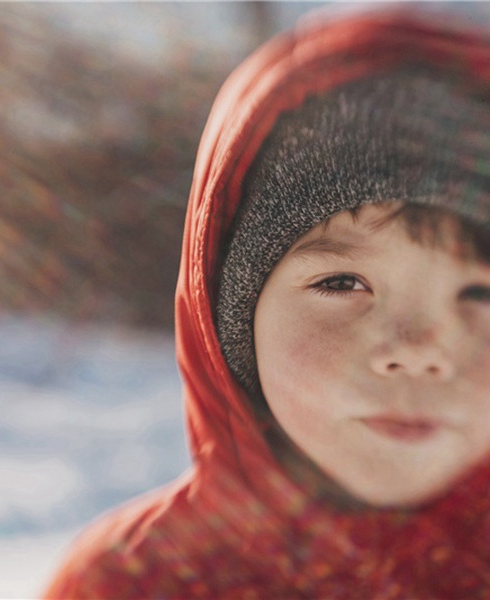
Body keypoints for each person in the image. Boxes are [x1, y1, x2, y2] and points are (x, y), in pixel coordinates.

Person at [43, 6, 490, 598]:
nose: (417, 352)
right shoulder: (133, 581)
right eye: (342, 283)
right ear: (227, 319)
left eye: (480, 292)